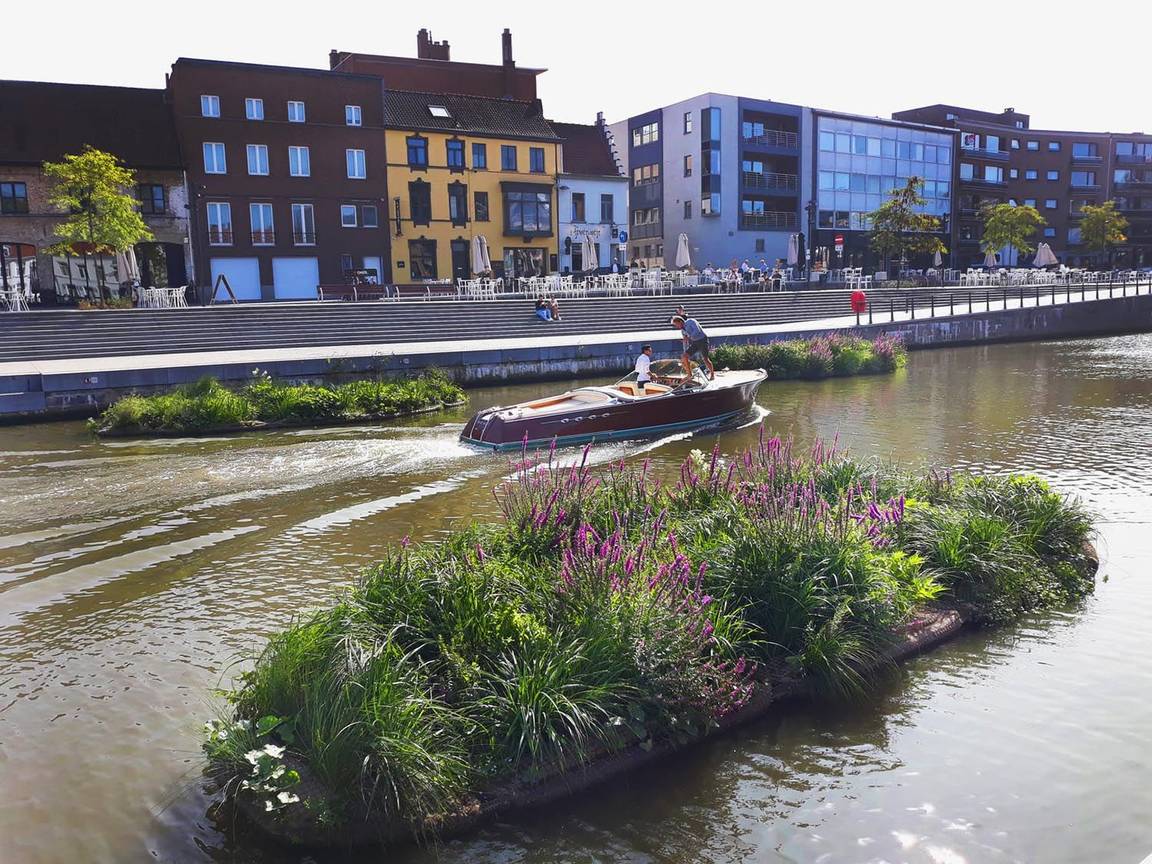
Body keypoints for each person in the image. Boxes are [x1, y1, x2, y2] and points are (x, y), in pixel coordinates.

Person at [671, 314, 715, 380]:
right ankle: (689, 375)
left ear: (680, 321)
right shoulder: (683, 331)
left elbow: (697, 331)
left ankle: (712, 374)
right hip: (695, 342)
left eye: (676, 324)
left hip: (702, 340)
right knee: (684, 356)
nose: (676, 326)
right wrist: (685, 352)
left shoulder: (691, 321)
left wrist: (688, 337)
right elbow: (685, 342)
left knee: (705, 359)